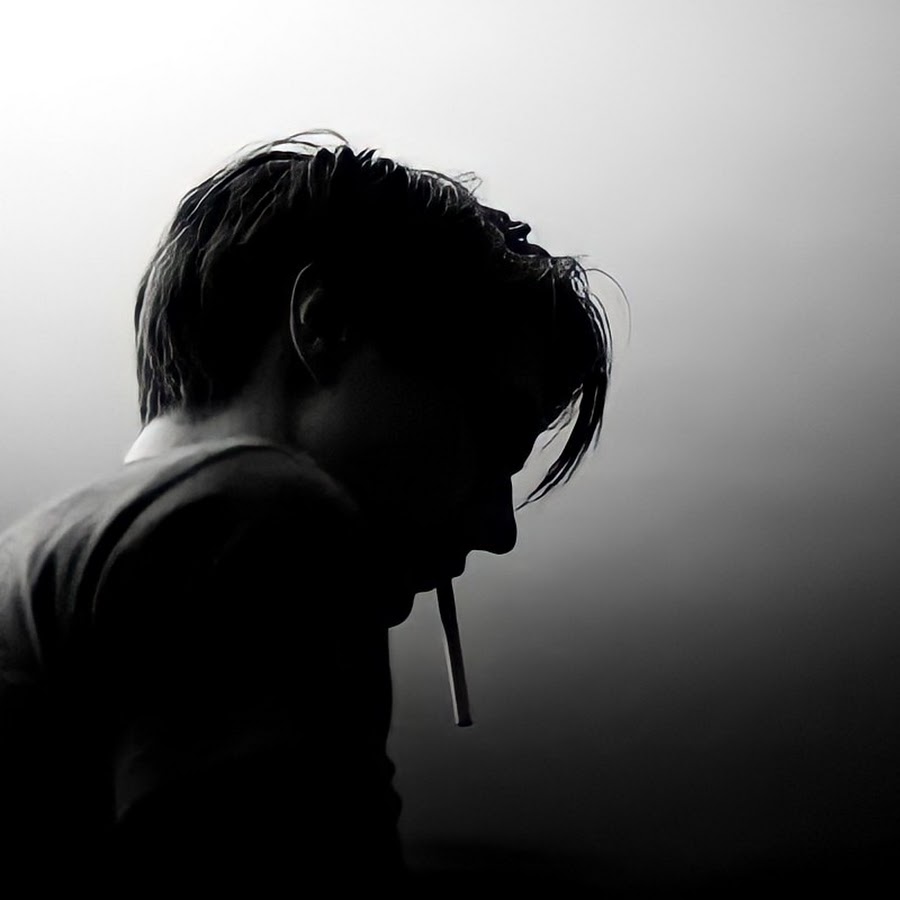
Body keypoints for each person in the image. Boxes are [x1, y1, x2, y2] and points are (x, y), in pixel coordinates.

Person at [0, 131, 612, 892]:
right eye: (496, 440)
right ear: (325, 326)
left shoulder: (43, 558)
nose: (500, 530)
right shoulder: (265, 513)